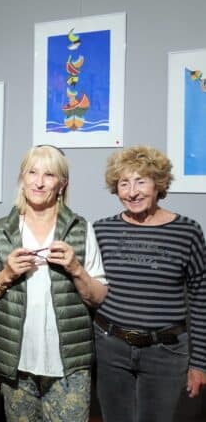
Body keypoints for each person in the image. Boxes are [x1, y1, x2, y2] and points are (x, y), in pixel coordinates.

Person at [0, 145, 107, 422]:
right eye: (32, 172)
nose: (39, 182)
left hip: (69, 366)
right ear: (22, 179)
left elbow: (97, 297)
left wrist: (76, 269)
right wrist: (6, 274)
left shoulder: (81, 229)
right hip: (16, 365)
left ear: (62, 184)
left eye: (49, 175)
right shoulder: (1, 230)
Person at [93, 145, 206, 422]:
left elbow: (201, 298)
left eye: (141, 181)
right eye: (124, 183)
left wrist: (200, 363)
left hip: (165, 352)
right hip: (110, 348)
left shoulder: (187, 231)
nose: (132, 192)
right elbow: (89, 290)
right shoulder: (101, 230)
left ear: (158, 183)